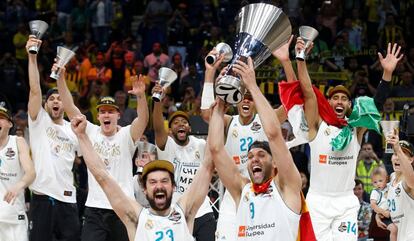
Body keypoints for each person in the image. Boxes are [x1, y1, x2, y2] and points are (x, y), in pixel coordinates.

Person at [289, 38, 403, 241]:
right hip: (318, 201)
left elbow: (375, 106)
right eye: (335, 98)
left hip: (345, 202)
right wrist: (301, 59)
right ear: (329, 102)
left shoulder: (355, 128)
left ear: (349, 105)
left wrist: (387, 74)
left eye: (344, 98)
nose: (339, 101)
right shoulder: (317, 126)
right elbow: (307, 92)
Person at [200, 37, 297, 241]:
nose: (246, 100)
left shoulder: (266, 121)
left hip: (267, 188)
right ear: (234, 100)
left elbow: (291, 105)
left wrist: (286, 63)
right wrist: (210, 74)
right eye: (242, 96)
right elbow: (207, 114)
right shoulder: (229, 120)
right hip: (237, 188)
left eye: (250, 98)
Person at [70, 113, 214, 241]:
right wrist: (82, 136)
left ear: (173, 187)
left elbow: (208, 165)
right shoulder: (137, 218)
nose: (159, 186)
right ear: (144, 189)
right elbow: (102, 176)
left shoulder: (185, 212)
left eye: (164, 181)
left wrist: (216, 115)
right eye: (152, 182)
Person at [56, 70, 149, 241]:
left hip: (123, 208)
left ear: (118, 115)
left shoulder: (127, 135)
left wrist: (141, 97)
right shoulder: (89, 131)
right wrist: (61, 79)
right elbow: (70, 107)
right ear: (98, 116)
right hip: (95, 208)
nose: (107, 115)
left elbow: (142, 120)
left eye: (111, 111)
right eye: (103, 112)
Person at [26, 36, 82, 241]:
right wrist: (32, 57)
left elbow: (86, 158)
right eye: (51, 99)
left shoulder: (74, 129)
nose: (56, 101)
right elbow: (34, 90)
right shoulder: (39, 121)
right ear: (46, 105)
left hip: (68, 200)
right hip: (42, 198)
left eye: (60, 98)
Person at [152, 82, 216, 241]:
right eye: (175, 123)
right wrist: (158, 101)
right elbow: (158, 128)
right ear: (170, 129)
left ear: (189, 127)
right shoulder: (167, 145)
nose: (180, 124)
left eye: (184, 122)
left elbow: (213, 158)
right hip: (176, 210)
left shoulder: (200, 144)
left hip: (202, 209)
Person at [0, 105, 35, 241]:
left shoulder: (18, 142)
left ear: (10, 124)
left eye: (1, 118)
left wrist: (19, 185)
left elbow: (31, 173)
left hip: (14, 216)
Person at [387, 132, 414, 240]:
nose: (397, 157)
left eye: (403, 154)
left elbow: (411, 182)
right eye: (395, 154)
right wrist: (379, 216)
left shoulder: (408, 180)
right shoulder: (392, 177)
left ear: (411, 160)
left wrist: (398, 148)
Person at [369, 167, 397, 241]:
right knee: (394, 230)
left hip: (394, 213)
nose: (378, 184)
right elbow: (373, 205)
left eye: (380, 181)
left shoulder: (389, 185)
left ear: (386, 179)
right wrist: (383, 212)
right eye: (375, 182)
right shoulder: (375, 192)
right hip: (384, 216)